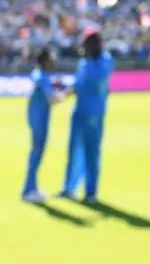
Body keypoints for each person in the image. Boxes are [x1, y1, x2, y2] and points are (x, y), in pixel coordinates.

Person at [61, 29, 114, 203]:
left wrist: (89, 61)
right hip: (79, 111)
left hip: (94, 113)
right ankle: (69, 188)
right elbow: (78, 84)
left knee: (91, 152)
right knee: (74, 150)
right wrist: (64, 89)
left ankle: (91, 192)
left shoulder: (104, 60)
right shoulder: (84, 62)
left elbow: (96, 79)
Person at [23, 48, 68, 203]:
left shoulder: (41, 75)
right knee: (36, 153)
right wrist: (67, 94)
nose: (54, 62)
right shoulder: (41, 76)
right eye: (51, 59)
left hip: (39, 117)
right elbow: (51, 99)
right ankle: (28, 190)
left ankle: (33, 187)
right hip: (39, 119)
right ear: (45, 60)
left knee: (37, 152)